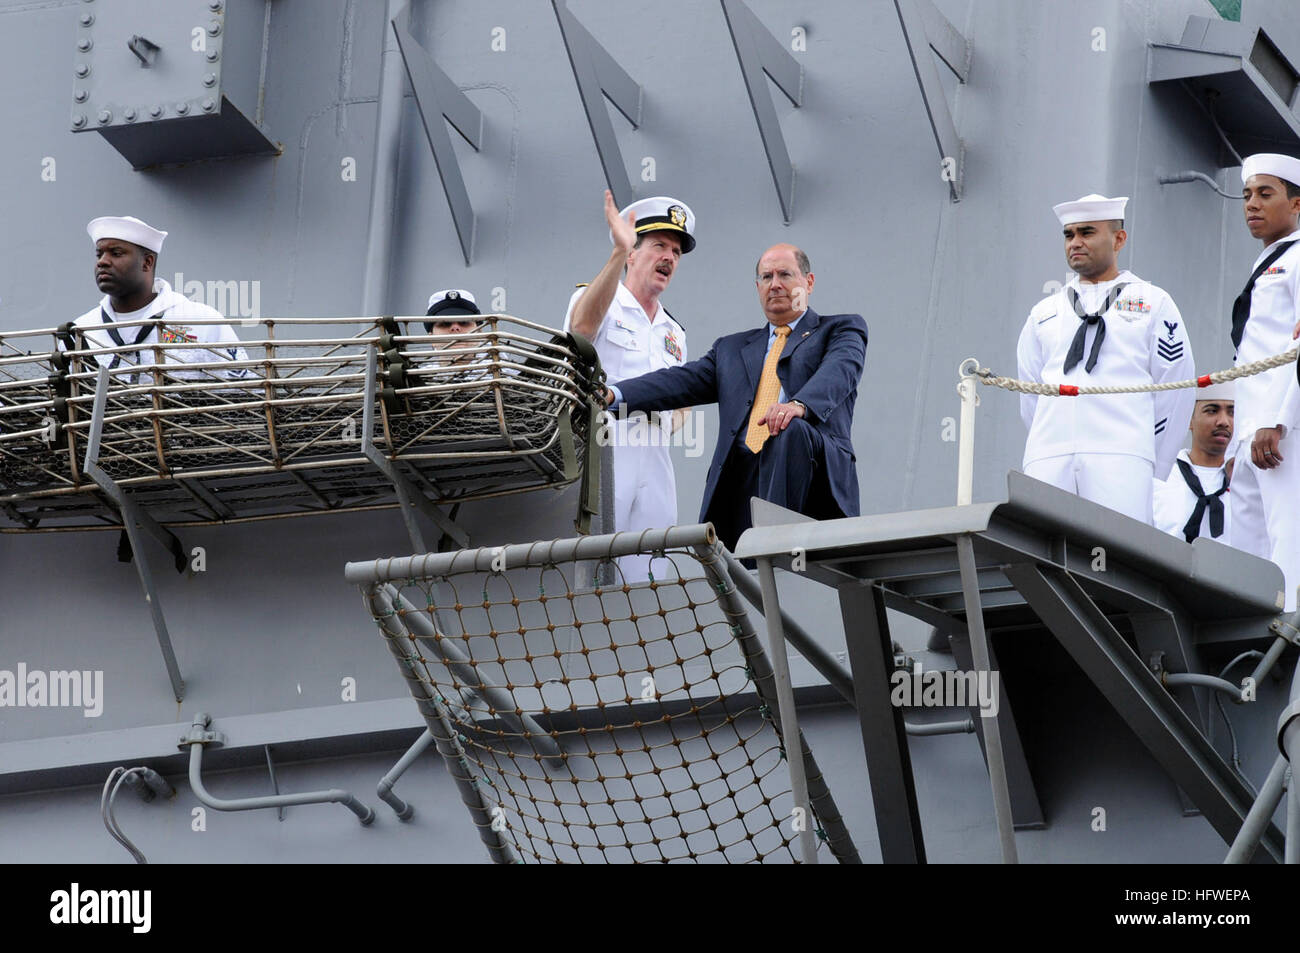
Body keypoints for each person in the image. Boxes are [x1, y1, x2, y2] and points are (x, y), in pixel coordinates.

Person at [608, 243, 867, 551]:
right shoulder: (731, 349)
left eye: (785, 274)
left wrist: (798, 406)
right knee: (742, 578)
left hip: (809, 475)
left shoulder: (840, 329)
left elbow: (839, 373)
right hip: (742, 480)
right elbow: (679, 381)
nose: (775, 284)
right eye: (766, 276)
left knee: (791, 430)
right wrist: (614, 393)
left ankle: (778, 547)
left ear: (808, 282)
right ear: (757, 286)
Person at [1016, 194, 1195, 523]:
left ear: (1119, 238)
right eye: (1069, 235)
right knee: (1045, 552)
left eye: (1087, 232)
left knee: (1119, 556)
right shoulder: (1044, 312)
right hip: (1048, 455)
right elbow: (1030, 393)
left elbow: (1176, 388)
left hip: (1122, 455)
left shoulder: (1153, 302)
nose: (1076, 243)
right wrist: (1049, 441)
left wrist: (1150, 456)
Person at [563, 192, 695, 578]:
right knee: (593, 558)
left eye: (676, 251)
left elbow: (682, 396)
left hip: (654, 451)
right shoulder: (602, 299)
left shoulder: (675, 332)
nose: (669, 257)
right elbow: (581, 332)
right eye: (659, 246)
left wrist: (671, 420)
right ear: (633, 253)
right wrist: (616, 253)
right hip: (606, 442)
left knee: (654, 565)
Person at [1227, 153, 1300, 610]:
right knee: (1248, 551)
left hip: (1282, 430)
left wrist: (1279, 421)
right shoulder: (1269, 260)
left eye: (1265, 193)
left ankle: (1288, 642)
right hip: (1252, 430)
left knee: (1288, 544)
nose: (1251, 204)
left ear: (1297, 204)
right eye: (1247, 195)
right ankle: (1248, 640)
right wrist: (1241, 437)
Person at [67, 216, 249, 384]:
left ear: (147, 262)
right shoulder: (80, 332)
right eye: (99, 254)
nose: (102, 262)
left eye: (116, 253)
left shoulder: (201, 321)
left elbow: (245, 395)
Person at [1152, 382, 1233, 543]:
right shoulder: (1160, 479)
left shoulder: (1246, 485)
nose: (1224, 421)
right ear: (1189, 420)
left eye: (1232, 413)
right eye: (1212, 411)